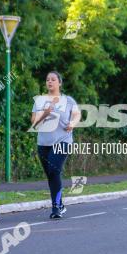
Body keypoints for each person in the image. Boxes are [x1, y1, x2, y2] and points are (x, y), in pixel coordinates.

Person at [31, 71, 81, 219]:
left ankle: (55, 208)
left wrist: (72, 123)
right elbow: (33, 122)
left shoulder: (68, 100)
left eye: (53, 79)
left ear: (59, 83)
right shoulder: (39, 101)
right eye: (47, 80)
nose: (50, 82)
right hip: (43, 143)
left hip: (63, 141)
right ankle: (60, 203)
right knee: (51, 175)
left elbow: (77, 114)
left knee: (54, 171)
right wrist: (45, 113)